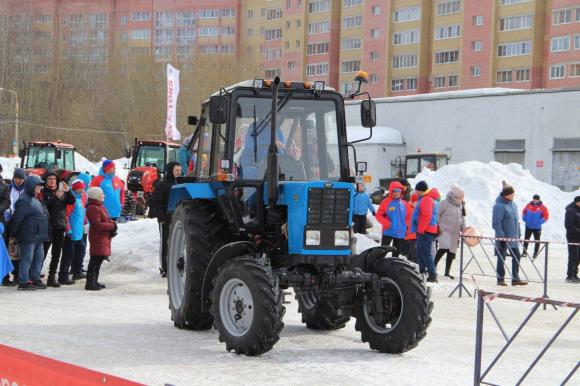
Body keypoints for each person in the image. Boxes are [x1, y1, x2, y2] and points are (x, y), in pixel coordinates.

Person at [9, 175, 50, 290]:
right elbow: (17, 219)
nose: (39, 188)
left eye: (40, 186)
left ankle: (35, 278)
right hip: (29, 235)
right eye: (38, 186)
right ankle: (23, 282)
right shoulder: (24, 200)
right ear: (31, 186)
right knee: (27, 259)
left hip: (39, 235)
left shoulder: (35, 198)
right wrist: (13, 233)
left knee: (39, 257)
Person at [40, 171, 76, 286]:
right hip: (47, 226)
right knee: (43, 252)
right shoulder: (42, 192)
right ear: (45, 180)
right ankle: (34, 275)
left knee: (56, 253)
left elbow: (72, 201)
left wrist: (68, 191)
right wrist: (55, 197)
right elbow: (44, 206)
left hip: (59, 226)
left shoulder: (61, 191)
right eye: (50, 179)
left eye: (54, 179)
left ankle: (51, 277)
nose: (52, 181)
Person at [492, 181, 527, 286]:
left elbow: (517, 221)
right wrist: (502, 238)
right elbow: (496, 224)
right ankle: (500, 279)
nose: (514, 195)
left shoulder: (514, 205)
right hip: (503, 238)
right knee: (501, 258)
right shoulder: (499, 206)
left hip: (514, 237)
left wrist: (519, 233)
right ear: (507, 195)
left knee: (517, 256)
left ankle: (515, 278)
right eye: (512, 193)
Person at [150, 162, 181, 277]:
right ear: (171, 170)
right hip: (165, 218)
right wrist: (161, 217)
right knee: (165, 242)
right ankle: (165, 268)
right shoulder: (163, 185)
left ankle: (173, 266)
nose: (179, 172)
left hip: (176, 217)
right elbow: (156, 202)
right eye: (177, 170)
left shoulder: (178, 183)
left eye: (180, 170)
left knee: (175, 242)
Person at [85, 187, 117, 291]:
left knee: (98, 260)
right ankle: (90, 283)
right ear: (96, 196)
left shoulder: (99, 206)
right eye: (101, 194)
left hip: (102, 237)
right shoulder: (93, 208)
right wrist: (112, 226)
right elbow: (97, 224)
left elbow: (105, 220)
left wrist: (111, 224)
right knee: (95, 260)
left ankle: (94, 281)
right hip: (98, 237)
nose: (103, 195)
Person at [411, 180, 441, 283]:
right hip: (427, 230)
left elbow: (426, 215)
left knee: (425, 252)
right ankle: (423, 272)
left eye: (416, 190)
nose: (415, 192)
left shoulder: (426, 199)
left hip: (425, 230)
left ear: (420, 190)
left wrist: (420, 229)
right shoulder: (427, 198)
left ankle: (432, 275)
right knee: (421, 252)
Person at [435, 184, 466, 279]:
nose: (462, 198)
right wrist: (437, 226)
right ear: (456, 196)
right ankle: (432, 267)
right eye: (461, 196)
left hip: (455, 232)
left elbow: (462, 219)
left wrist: (464, 229)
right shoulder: (445, 203)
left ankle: (447, 272)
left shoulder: (461, 205)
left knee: (451, 252)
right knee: (444, 248)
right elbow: (436, 215)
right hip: (444, 230)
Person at [60, 179, 87, 285]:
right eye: (80, 187)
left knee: (80, 250)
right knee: (68, 254)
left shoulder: (82, 197)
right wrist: (68, 229)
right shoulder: (71, 199)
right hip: (71, 231)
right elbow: (66, 215)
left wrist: (85, 224)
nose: (82, 189)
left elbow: (82, 213)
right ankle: (63, 275)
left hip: (79, 231)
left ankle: (77, 271)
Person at [2, 168, 26, 286]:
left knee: (20, 250)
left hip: (23, 223)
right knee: (11, 249)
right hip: (10, 222)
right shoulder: (9, 188)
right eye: (16, 178)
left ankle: (18, 274)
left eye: (21, 178)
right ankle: (8, 275)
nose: (18, 181)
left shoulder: (27, 190)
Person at [375, 181, 407, 257]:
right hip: (388, 231)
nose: (396, 193)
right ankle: (378, 266)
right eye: (394, 191)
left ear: (401, 192)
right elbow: (378, 215)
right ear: (391, 191)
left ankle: (394, 267)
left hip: (400, 233)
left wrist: (406, 228)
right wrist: (388, 224)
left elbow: (407, 217)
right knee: (382, 252)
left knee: (396, 254)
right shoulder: (386, 202)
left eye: (398, 191)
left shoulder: (404, 203)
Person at [522, 194, 549, 258]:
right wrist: (524, 218)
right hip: (528, 226)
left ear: (539, 200)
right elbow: (524, 211)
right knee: (526, 239)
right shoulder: (528, 205)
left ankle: (535, 253)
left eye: (536, 199)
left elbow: (546, 216)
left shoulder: (543, 207)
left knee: (537, 240)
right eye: (534, 199)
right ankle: (524, 252)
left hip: (537, 228)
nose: (535, 200)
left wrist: (539, 222)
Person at [564, 196, 580, 283]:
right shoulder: (570, 210)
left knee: (578, 257)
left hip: (579, 237)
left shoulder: (578, 210)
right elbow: (568, 225)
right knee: (573, 256)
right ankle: (569, 275)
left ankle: (575, 274)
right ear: (577, 202)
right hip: (572, 237)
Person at [400, 191, 419, 263]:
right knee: (411, 251)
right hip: (408, 234)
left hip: (417, 234)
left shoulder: (419, 208)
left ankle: (413, 264)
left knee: (413, 252)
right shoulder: (406, 207)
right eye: (416, 202)